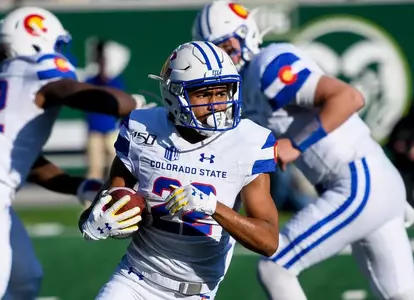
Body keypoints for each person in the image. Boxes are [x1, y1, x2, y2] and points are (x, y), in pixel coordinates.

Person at [193, 2, 414, 299]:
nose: (225, 58)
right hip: (369, 181)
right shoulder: (243, 88)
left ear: (246, 35)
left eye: (227, 46)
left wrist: (294, 144)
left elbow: (348, 97)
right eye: (216, 52)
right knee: (400, 294)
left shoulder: (267, 64)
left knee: (275, 266)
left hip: (358, 180)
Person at [0, 6, 145, 300]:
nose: (61, 52)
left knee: (24, 279)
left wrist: (80, 186)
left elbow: (28, 161)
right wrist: (131, 104)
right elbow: (69, 91)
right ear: (36, 40)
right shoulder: (39, 66)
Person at [79, 41, 279, 300]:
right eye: (204, 94)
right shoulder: (143, 130)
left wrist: (214, 207)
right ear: (174, 94)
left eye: (222, 92)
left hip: (196, 293)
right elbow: (112, 197)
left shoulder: (249, 142)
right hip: (134, 280)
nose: (216, 104)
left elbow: (268, 241)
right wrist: (93, 222)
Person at [84, 39, 124, 179]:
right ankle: (91, 200)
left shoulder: (114, 82)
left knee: (116, 169)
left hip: (111, 130)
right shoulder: (90, 82)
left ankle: (113, 198)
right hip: (94, 131)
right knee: (95, 170)